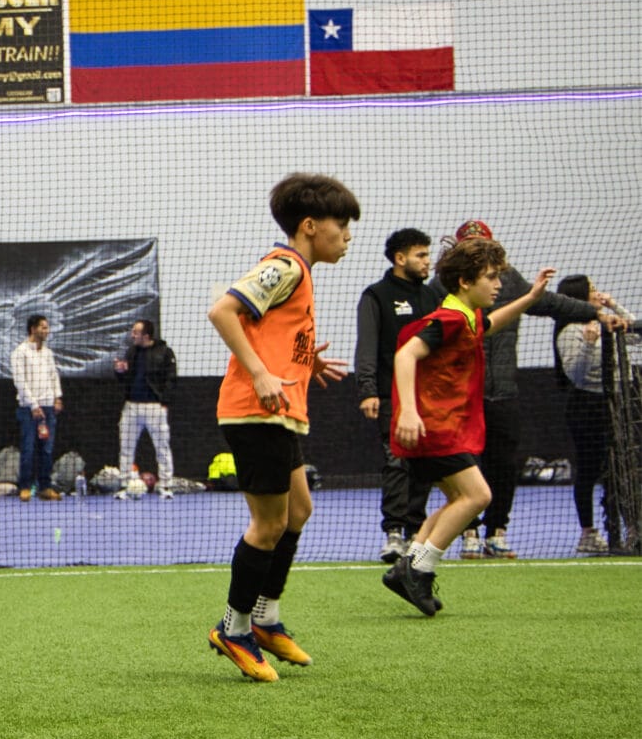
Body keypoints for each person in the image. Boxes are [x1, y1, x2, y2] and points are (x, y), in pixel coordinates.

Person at [206, 173, 358, 681]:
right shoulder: (285, 264)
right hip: (256, 411)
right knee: (268, 525)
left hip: (281, 410)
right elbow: (222, 310)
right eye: (343, 224)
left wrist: (301, 363)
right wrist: (261, 371)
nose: (348, 236)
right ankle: (234, 628)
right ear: (310, 225)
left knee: (299, 510)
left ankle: (266, 618)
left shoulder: (300, 273)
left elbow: (267, 330)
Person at [384, 233, 552, 615]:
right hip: (433, 429)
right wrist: (408, 411)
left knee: (460, 499)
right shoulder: (447, 319)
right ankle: (419, 570)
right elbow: (406, 355)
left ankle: (406, 567)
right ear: (465, 281)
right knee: (478, 497)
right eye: (491, 277)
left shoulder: (466, 317)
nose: (498, 285)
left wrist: (529, 299)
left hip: (438, 429)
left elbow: (489, 324)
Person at [427, 218, 608, 559]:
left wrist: (592, 312)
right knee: (466, 468)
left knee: (503, 464)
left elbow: (549, 303)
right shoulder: (442, 287)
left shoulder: (508, 282)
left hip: (503, 393)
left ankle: (496, 532)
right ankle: (464, 534)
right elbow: (415, 344)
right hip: (462, 397)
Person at [354, 229, 437, 561]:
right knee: (396, 460)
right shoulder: (377, 295)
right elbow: (367, 345)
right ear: (400, 259)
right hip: (391, 396)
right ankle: (393, 533)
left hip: (428, 397)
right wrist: (368, 390)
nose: (427, 261)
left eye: (428, 254)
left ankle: (418, 532)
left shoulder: (433, 297)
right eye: (420, 255)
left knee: (424, 464)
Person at [554, 275, 616, 555]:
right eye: (591, 289)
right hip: (586, 407)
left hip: (612, 402)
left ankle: (621, 527)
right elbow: (575, 375)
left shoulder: (601, 321)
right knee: (589, 470)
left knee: (617, 469)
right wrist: (589, 344)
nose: (597, 293)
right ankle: (588, 533)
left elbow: (632, 331)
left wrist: (615, 308)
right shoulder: (571, 331)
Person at [113, 316, 176, 489]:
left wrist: (164, 402)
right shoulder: (131, 352)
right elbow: (125, 379)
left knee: (162, 447)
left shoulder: (164, 352)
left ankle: (166, 484)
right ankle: (124, 484)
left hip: (154, 407)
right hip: (131, 406)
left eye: (136, 332)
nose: (132, 335)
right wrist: (120, 371)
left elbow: (170, 379)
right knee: (125, 447)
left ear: (146, 335)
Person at [11, 314, 62, 499]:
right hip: (28, 409)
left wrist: (57, 397)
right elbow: (20, 381)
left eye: (47, 328)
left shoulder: (48, 353)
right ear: (33, 329)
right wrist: (33, 405)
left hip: (48, 408)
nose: (46, 331)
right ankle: (25, 486)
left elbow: (53, 375)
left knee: (47, 449)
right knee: (28, 448)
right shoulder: (20, 352)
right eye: (43, 327)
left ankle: (44, 487)